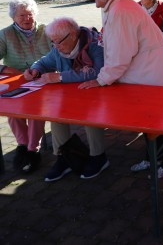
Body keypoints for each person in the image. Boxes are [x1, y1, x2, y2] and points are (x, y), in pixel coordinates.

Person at [79, 0, 163, 180]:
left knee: (153, 120)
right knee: (148, 120)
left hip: (148, 74)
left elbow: (120, 55)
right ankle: (153, 157)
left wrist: (101, 79)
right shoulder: (121, 7)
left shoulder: (120, 11)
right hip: (147, 71)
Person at [24, 17, 108, 181]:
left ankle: (99, 157)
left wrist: (60, 77)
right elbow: (45, 61)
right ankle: (65, 157)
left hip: (97, 93)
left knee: (91, 115)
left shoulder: (95, 43)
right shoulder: (59, 47)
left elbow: (99, 71)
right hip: (70, 95)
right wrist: (34, 69)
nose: (55, 46)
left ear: (72, 35)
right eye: (53, 42)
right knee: (57, 116)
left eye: (58, 42)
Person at [0, 0, 50, 173]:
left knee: (35, 111)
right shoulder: (5, 34)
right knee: (13, 111)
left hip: (43, 80)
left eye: (30, 14)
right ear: (13, 17)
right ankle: (22, 145)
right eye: (22, 16)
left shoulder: (46, 30)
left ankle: (32, 150)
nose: (27, 19)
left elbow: (60, 54)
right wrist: (6, 68)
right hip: (17, 81)